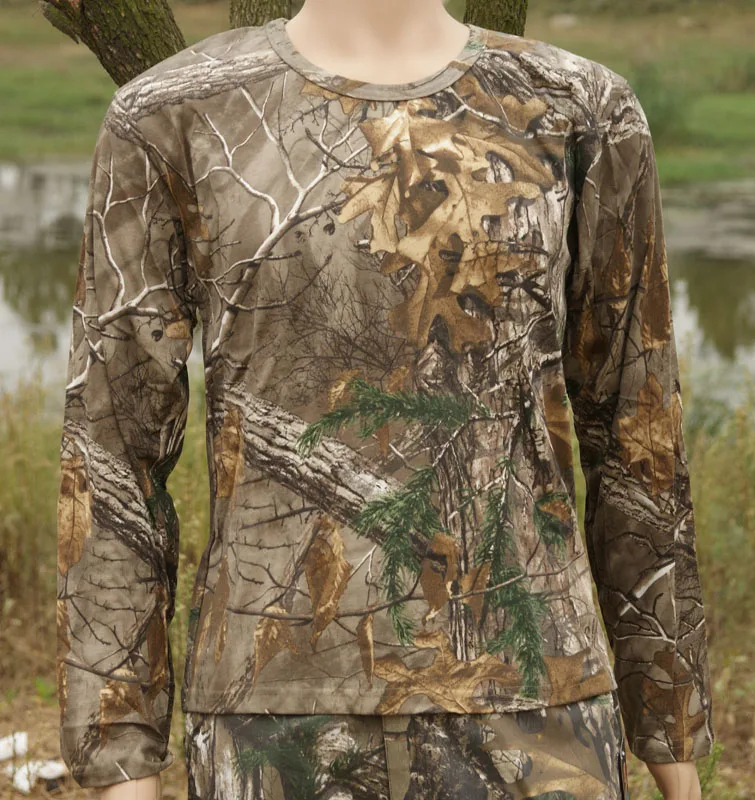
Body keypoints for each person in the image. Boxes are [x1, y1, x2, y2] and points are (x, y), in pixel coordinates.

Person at [55, 0, 716, 798]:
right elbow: (112, 453)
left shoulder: (579, 108)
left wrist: (669, 723)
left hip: (538, 711)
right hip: (271, 716)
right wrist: (120, 753)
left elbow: (638, 432)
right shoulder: (172, 115)